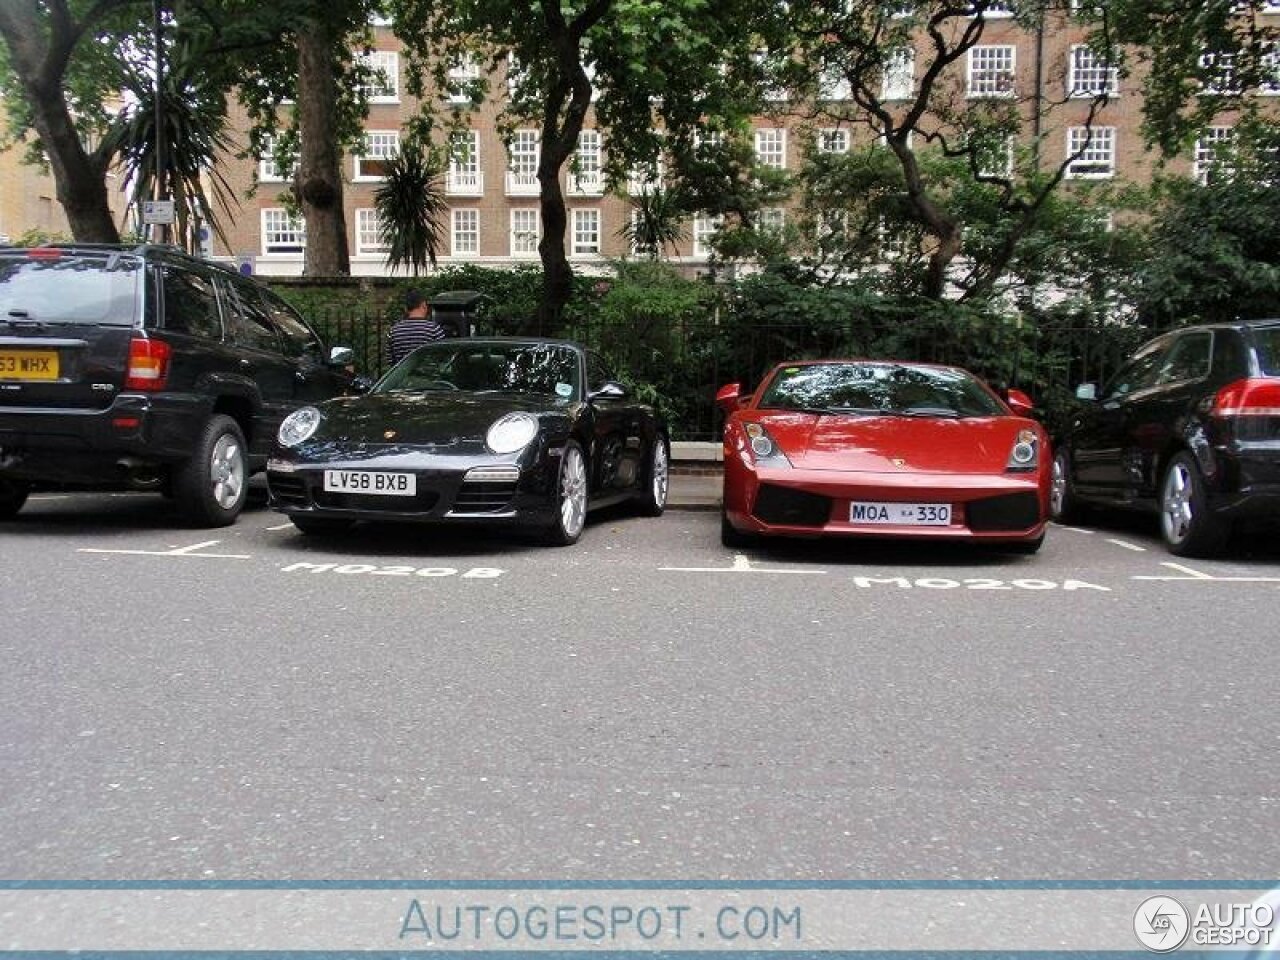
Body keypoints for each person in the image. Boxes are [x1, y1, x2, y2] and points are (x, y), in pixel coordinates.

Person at [385, 289, 445, 366]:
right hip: (428, 377)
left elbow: (390, 361)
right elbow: (443, 356)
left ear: (406, 308)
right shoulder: (433, 329)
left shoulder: (394, 331)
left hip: (404, 376)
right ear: (423, 305)